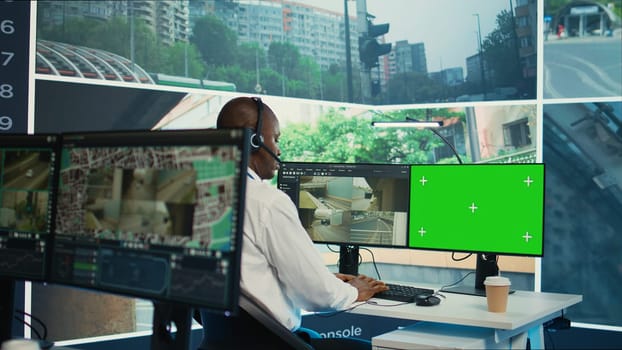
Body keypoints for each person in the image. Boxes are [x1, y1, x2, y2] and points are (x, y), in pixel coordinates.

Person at [199, 96, 388, 349]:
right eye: (275, 139)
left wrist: (320, 277)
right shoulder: (267, 201)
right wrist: (355, 290)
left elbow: (248, 275)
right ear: (254, 141)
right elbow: (317, 296)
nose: (278, 150)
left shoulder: (203, 195)